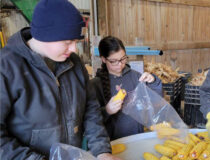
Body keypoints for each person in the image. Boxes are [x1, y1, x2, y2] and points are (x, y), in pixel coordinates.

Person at [0, 0, 120, 159]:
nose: (74, 49)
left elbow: (91, 111)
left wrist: (102, 151)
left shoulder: (75, 64)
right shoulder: (6, 68)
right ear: (45, 35)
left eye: (76, 42)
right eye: (68, 42)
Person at [91, 36, 163, 140]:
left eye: (123, 58)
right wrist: (106, 110)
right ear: (103, 59)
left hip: (137, 137)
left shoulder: (136, 76)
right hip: (111, 143)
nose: (120, 64)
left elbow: (156, 100)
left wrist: (153, 82)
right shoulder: (95, 85)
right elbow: (91, 120)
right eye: (114, 61)